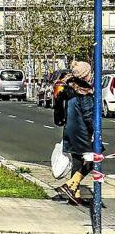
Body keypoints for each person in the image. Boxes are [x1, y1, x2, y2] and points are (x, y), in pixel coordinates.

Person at [54, 60, 102, 205]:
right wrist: (95, 130)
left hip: (70, 129)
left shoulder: (68, 89)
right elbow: (88, 114)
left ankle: (74, 196)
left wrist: (61, 121)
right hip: (82, 132)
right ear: (85, 75)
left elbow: (59, 108)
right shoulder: (84, 91)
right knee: (95, 158)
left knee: (77, 161)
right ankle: (71, 184)